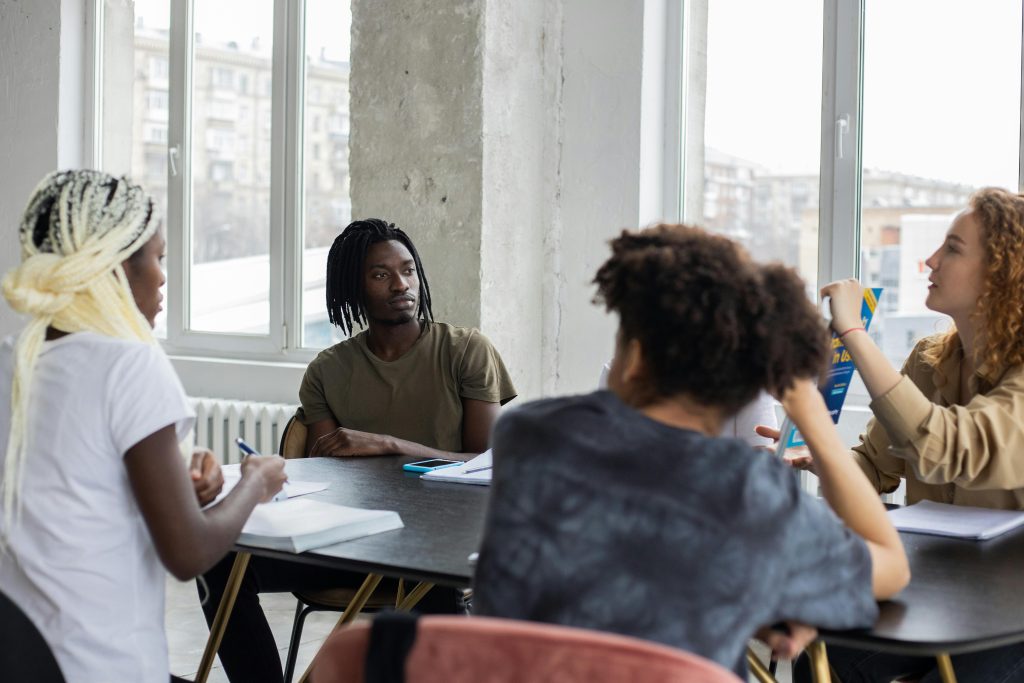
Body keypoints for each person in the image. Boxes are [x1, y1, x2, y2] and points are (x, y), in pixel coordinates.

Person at [473, 224, 910, 679]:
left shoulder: (528, 434)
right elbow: (891, 565)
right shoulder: (748, 489)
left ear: (636, 357)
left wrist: (742, 597)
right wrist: (814, 419)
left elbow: (621, 566)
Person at [201, 217, 517, 683]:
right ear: (355, 285)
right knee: (215, 560)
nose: (400, 284)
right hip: (347, 544)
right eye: (380, 274)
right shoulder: (328, 370)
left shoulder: (465, 350)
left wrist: (388, 444)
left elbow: (487, 462)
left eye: (408, 271)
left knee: (432, 593)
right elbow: (325, 470)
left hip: (434, 550)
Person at [0, 170, 286, 683]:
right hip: (102, 665)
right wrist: (255, 483)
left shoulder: (15, 362)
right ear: (110, 270)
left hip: (23, 659)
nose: (162, 277)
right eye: (157, 258)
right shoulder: (129, 364)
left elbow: (73, 503)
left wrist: (183, 492)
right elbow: (188, 554)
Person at [789, 188, 1024, 682]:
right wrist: (820, 453)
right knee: (823, 653)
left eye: (954, 249)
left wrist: (853, 334)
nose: (931, 259)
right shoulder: (929, 358)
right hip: (939, 589)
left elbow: (945, 445)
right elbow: (874, 471)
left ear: (1002, 274)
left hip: (1013, 612)